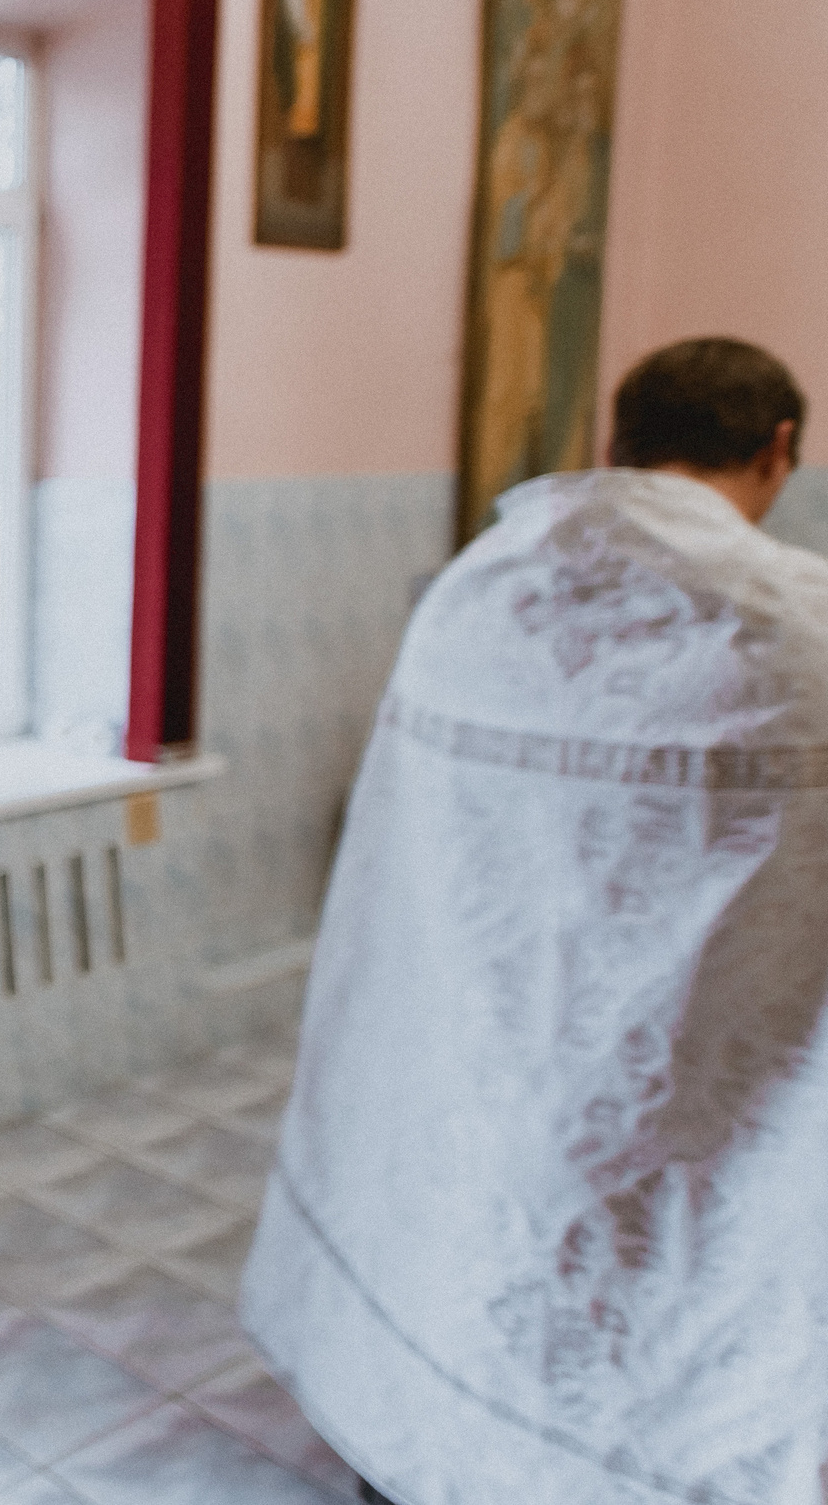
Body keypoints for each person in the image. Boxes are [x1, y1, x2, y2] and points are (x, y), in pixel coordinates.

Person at [241, 337, 828, 1504]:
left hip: (474, 1044)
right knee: (633, 1318)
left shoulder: (479, 585)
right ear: (777, 451)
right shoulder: (794, 630)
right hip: (665, 1089)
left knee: (471, 1252)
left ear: (615, 434)